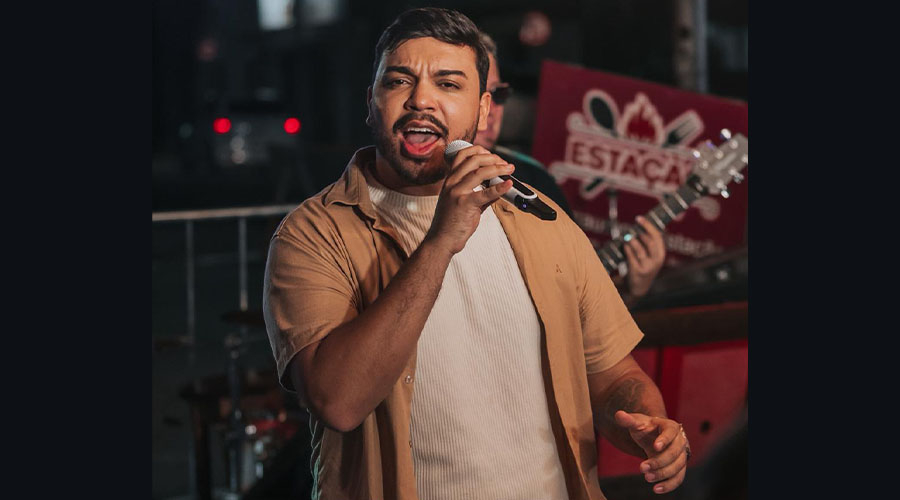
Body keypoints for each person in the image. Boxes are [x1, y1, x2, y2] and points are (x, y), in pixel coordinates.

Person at [263, 8, 690, 500]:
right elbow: (337, 401)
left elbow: (614, 374)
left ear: (483, 110)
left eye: (448, 84)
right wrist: (442, 239)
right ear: (371, 101)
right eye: (399, 81)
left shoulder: (540, 219)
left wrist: (648, 425)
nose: (421, 99)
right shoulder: (313, 234)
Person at [473, 32, 666, 307]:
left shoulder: (535, 179)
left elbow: (576, 302)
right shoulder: (419, 181)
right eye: (479, 94)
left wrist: (632, 291)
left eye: (500, 94)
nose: (491, 108)